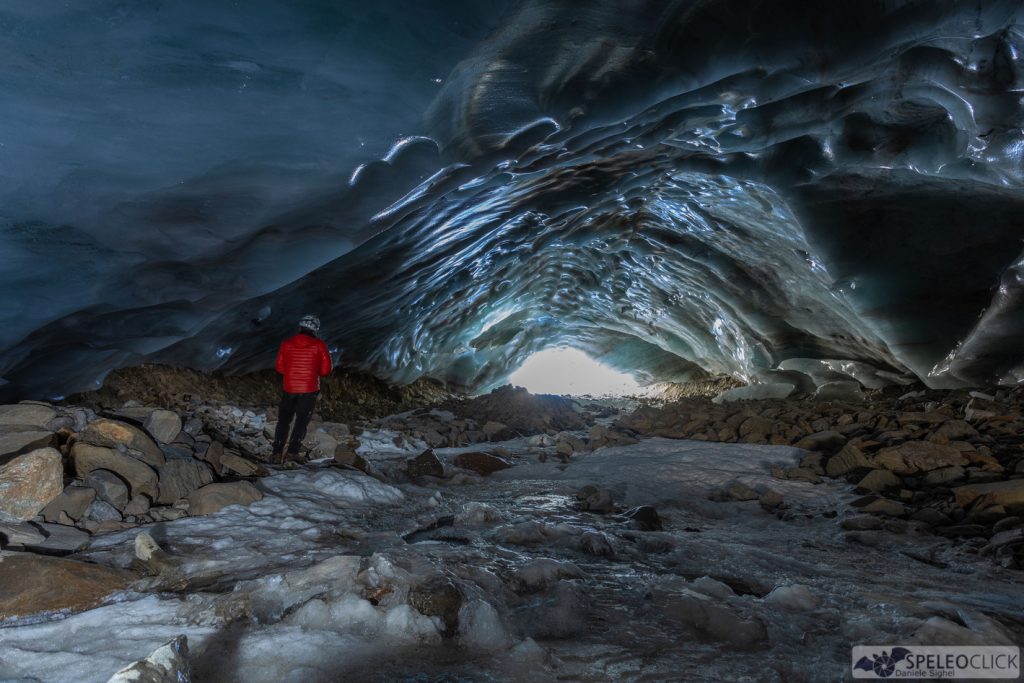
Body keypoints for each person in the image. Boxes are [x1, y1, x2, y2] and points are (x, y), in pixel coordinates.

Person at [271, 314, 332, 463]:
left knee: (284, 421)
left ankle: (276, 453)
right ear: (315, 330)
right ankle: (292, 453)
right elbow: (325, 371)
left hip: (289, 388)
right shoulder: (319, 345)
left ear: (300, 327)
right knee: (300, 422)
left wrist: (293, 373)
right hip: (309, 390)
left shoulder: (286, 343)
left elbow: (279, 367)